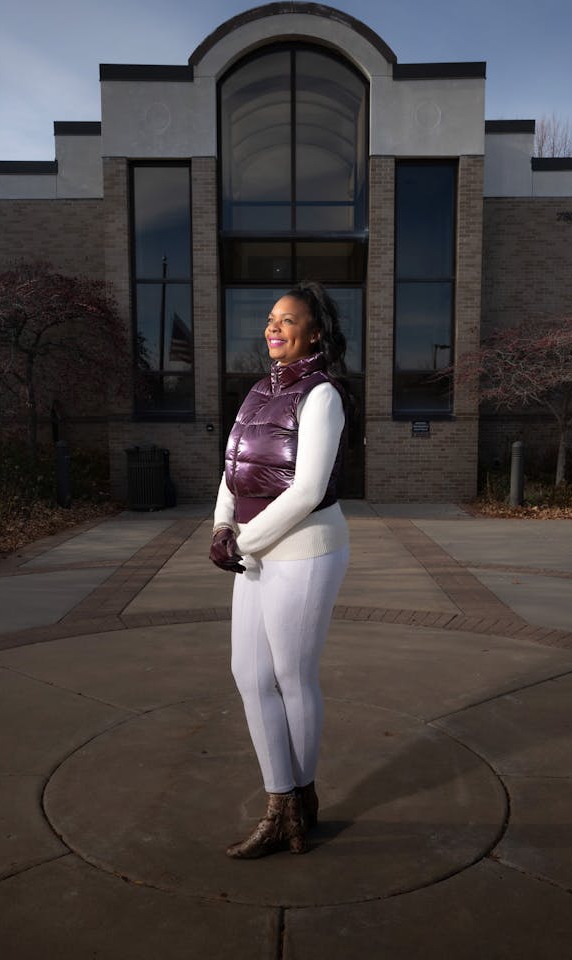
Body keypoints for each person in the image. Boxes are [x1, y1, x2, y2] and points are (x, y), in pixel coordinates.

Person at [211, 281, 350, 859]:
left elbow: (308, 489)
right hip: (254, 550)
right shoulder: (254, 393)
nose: (273, 328)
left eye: (287, 320)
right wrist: (221, 526)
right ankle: (282, 799)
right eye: (270, 318)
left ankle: (298, 798)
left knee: (292, 677)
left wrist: (243, 540)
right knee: (249, 675)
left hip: (305, 550)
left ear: (313, 332)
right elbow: (232, 469)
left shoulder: (322, 395)